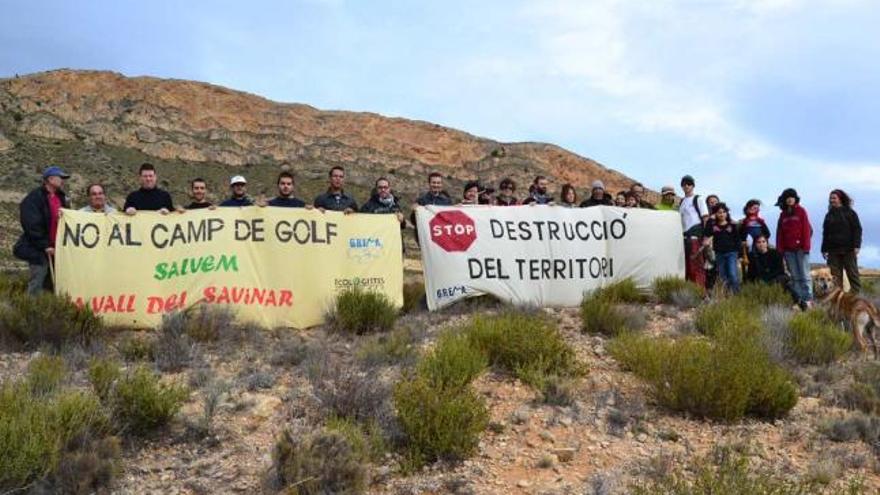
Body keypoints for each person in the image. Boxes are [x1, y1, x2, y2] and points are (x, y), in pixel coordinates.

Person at [14, 166, 70, 295]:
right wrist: (44, 245)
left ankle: (49, 308)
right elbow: (32, 224)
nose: (63, 181)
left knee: (52, 281)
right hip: (38, 248)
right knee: (38, 278)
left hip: (55, 247)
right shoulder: (34, 198)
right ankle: (32, 310)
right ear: (50, 179)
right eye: (60, 177)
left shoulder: (61, 197)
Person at [775, 188, 813, 308]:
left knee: (805, 275)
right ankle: (799, 299)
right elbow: (779, 233)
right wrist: (780, 249)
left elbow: (806, 229)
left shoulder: (801, 211)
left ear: (795, 199)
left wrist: (806, 246)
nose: (790, 199)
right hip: (788, 250)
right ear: (785, 200)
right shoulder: (783, 215)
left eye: (792, 197)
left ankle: (808, 299)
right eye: (787, 198)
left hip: (801, 249)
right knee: (795, 276)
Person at [821, 189, 862, 293]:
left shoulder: (850, 213)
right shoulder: (829, 215)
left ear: (840, 199)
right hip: (833, 251)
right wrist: (824, 249)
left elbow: (857, 229)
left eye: (834, 198)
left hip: (848, 249)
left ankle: (856, 298)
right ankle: (839, 300)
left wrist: (857, 245)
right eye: (830, 198)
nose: (831, 200)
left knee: (853, 275)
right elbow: (825, 233)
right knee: (835, 277)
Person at [679, 175, 709, 290]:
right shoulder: (682, 202)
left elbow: (705, 218)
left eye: (689, 183)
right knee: (687, 265)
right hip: (684, 237)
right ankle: (689, 290)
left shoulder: (698, 199)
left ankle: (699, 291)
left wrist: (706, 237)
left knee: (696, 265)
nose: (686, 186)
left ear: (693, 185)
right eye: (684, 184)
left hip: (696, 236)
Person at [704, 203, 740, 293]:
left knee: (732, 274)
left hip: (732, 253)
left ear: (727, 213)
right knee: (722, 275)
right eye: (719, 212)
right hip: (719, 253)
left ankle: (736, 294)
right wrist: (710, 219)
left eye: (724, 212)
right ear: (715, 214)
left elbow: (737, 240)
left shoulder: (732, 225)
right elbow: (707, 233)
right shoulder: (713, 226)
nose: (722, 214)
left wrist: (740, 254)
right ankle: (726, 294)